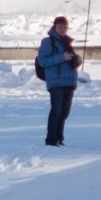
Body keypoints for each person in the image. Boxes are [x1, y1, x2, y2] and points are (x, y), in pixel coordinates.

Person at [36, 16, 82, 146]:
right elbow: (43, 61)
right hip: (56, 82)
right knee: (56, 111)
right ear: (54, 27)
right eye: (60, 27)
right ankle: (51, 140)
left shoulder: (67, 42)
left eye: (65, 27)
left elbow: (69, 60)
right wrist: (62, 57)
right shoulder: (48, 42)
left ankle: (59, 139)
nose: (62, 29)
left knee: (64, 113)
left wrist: (76, 60)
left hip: (69, 82)